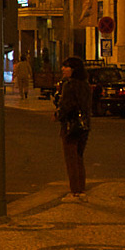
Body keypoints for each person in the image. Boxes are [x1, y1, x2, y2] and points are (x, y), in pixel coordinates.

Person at [53, 56, 94, 199]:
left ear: (74, 69)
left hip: (71, 125)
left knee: (71, 159)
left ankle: (75, 190)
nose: (63, 69)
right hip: (84, 124)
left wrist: (58, 114)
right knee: (79, 157)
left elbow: (66, 106)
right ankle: (81, 188)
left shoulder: (69, 85)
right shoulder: (85, 85)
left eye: (66, 66)